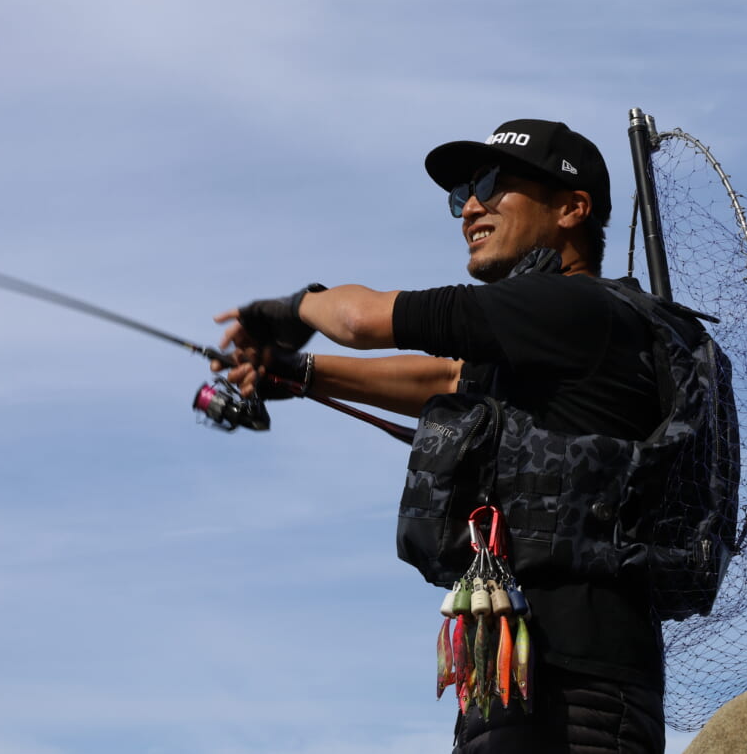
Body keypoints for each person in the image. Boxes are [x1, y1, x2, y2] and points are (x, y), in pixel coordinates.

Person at [213, 119, 666, 753]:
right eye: (462, 195)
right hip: (513, 684)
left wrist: (291, 309)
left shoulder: (575, 307)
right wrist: (300, 373)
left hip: (579, 697)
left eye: (491, 185)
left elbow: (360, 319)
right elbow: (450, 377)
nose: (470, 207)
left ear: (572, 208)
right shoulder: (547, 334)